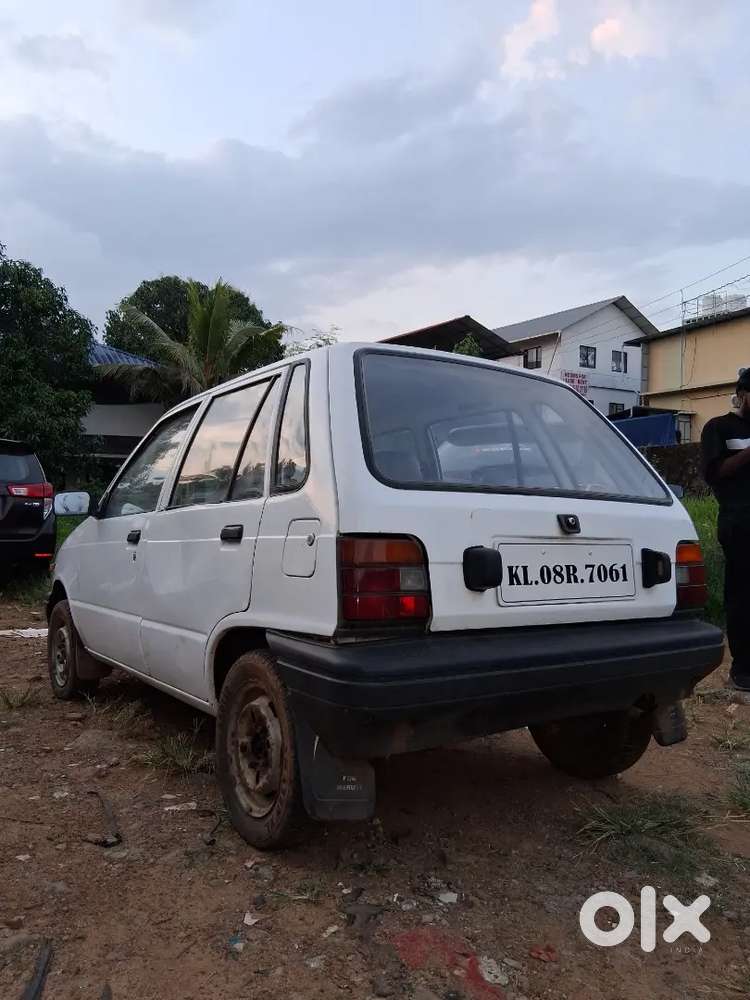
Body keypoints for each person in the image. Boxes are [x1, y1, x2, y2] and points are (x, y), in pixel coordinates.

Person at [701, 368, 750, 691]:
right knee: (743, 597)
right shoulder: (718, 428)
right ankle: (743, 671)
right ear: (744, 395)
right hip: (739, 523)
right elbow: (714, 473)